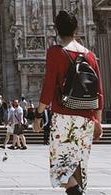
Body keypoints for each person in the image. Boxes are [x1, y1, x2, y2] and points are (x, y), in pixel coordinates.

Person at [39, 11, 104, 195]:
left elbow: (49, 86)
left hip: (64, 117)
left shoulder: (55, 52)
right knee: (78, 166)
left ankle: (76, 192)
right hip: (87, 118)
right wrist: (98, 121)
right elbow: (99, 91)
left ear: (57, 30)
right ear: (77, 29)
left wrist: (38, 115)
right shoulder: (90, 55)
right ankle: (78, 191)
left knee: (60, 167)